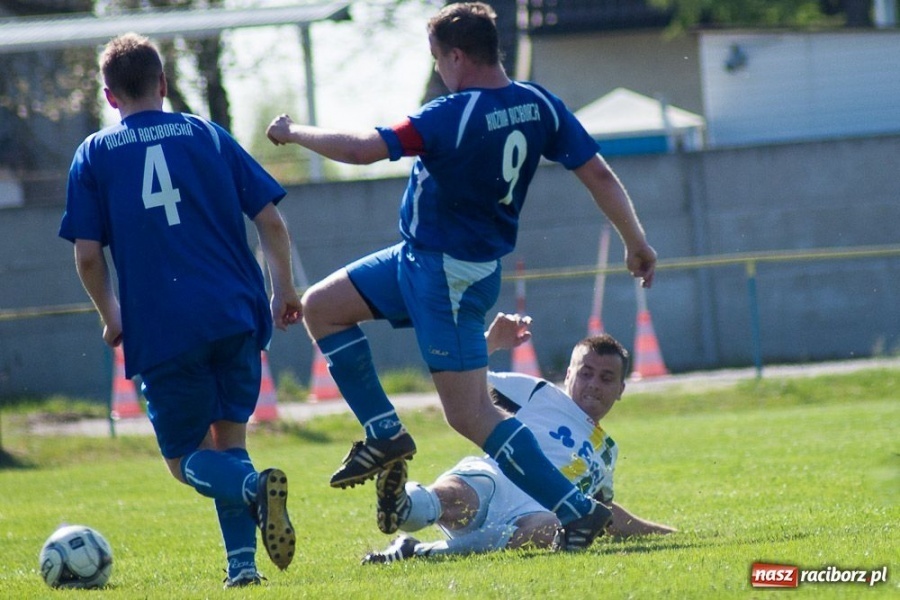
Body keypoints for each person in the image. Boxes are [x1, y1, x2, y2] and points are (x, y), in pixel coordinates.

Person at [266, 1, 657, 550]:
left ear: (454, 55)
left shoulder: (451, 113)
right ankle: (384, 432)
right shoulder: (538, 103)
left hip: (448, 274)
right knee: (322, 306)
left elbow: (360, 150)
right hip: (419, 257)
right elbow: (597, 172)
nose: (439, 71)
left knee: (470, 413)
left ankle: (577, 511)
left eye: (438, 60)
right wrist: (635, 242)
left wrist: (293, 132)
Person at [59, 33, 301, 588]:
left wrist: (110, 313)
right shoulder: (208, 135)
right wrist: (282, 288)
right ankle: (242, 568)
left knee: (184, 461)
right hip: (235, 314)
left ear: (109, 96)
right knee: (230, 441)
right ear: (164, 84)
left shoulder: (94, 153)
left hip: (164, 326)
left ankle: (250, 489)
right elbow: (271, 221)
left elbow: (88, 255)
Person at [363, 312, 676, 562]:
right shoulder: (538, 393)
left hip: (533, 516)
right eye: (585, 372)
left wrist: (667, 534)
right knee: (455, 495)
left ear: (621, 389)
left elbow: (603, 515)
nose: (594, 383)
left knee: (549, 529)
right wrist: (490, 342)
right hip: (493, 481)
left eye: (606, 378)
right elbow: (460, 381)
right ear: (568, 374)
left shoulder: (608, 453)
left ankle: (416, 551)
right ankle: (400, 506)